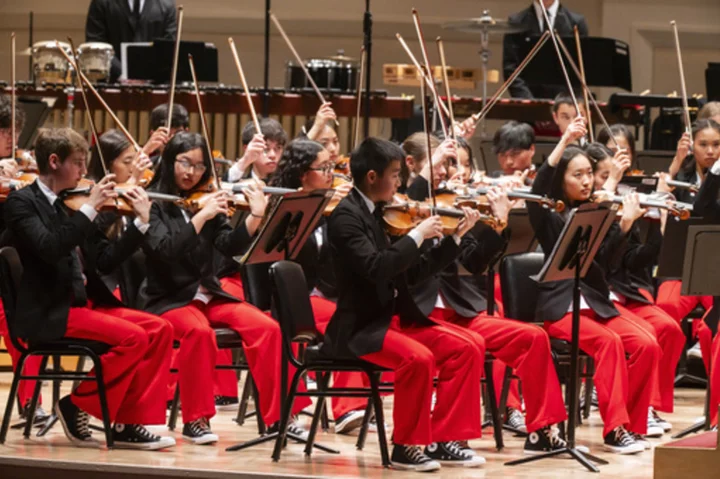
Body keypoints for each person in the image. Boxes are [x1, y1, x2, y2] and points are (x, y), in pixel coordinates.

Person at [4, 127, 175, 450]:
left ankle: (128, 422)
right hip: (50, 309)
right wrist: (89, 209)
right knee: (134, 337)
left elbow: (105, 261)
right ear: (54, 162)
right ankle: (77, 405)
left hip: (83, 303)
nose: (85, 172)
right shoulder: (21, 203)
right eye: (78, 163)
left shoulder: (72, 202)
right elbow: (50, 246)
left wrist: (139, 223)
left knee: (159, 328)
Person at [324, 137, 487, 470]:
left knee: (468, 346)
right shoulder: (345, 218)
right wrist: (417, 236)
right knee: (418, 358)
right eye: (395, 174)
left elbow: (411, 275)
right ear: (372, 177)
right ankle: (406, 446)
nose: (400, 183)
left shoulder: (384, 212)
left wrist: (454, 239)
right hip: (361, 327)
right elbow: (375, 268)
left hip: (393, 319)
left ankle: (447, 439)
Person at [139, 131, 311, 444]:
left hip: (209, 293)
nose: (192, 173)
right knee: (199, 333)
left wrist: (255, 216)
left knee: (267, 328)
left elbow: (229, 245)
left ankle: (280, 417)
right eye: (185, 163)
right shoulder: (153, 204)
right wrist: (200, 218)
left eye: (200, 166)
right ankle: (196, 420)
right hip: (170, 298)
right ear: (168, 161)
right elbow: (165, 251)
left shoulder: (207, 198)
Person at [405, 149, 572, 455]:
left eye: (459, 166)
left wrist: (497, 224)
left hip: (460, 311)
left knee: (533, 337)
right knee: (468, 345)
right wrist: (430, 168)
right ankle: (447, 438)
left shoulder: (458, 209)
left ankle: (542, 431)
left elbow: (474, 262)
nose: (453, 173)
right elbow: (410, 196)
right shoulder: (406, 205)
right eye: (446, 165)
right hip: (419, 315)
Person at [529, 117, 661, 453]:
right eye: (578, 175)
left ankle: (633, 424)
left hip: (593, 302)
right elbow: (536, 191)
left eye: (590, 173)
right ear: (562, 181)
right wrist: (563, 141)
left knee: (648, 343)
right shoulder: (548, 215)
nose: (587, 181)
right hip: (560, 306)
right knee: (609, 343)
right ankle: (614, 430)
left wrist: (627, 225)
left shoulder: (595, 210)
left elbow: (606, 264)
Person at [589, 142, 682, 436]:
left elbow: (632, 259)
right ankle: (631, 411)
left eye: (612, 176)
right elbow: (598, 264)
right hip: (600, 296)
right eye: (603, 176)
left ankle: (650, 404)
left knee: (670, 328)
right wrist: (622, 224)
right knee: (646, 337)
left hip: (624, 292)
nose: (609, 184)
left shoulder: (620, 209)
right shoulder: (590, 209)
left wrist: (660, 232)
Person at [503, 0, 588, 99]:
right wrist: (528, 99)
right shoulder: (516, 22)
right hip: (528, 100)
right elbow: (510, 67)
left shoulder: (576, 23)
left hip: (565, 102)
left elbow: (580, 68)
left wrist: (564, 101)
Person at [85, 0, 177, 82]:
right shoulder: (101, 2)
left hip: (154, 87)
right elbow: (96, 43)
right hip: (112, 83)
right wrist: (122, 74)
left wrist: (145, 77)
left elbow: (167, 48)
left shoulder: (167, 4)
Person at [226, 119, 288, 183]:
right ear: (247, 149)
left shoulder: (289, 184)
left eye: (278, 148)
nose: (272, 155)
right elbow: (225, 184)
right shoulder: (239, 183)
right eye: (265, 148)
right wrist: (244, 160)